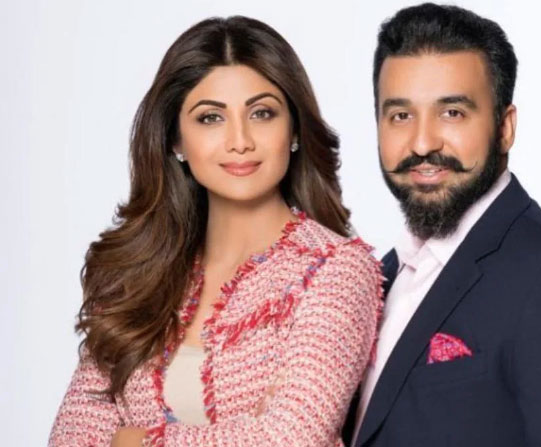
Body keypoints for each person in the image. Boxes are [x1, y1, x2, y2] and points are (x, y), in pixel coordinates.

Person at [49, 16, 383, 447]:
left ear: (294, 130)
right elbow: (72, 436)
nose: (240, 140)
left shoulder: (335, 270)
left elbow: (291, 437)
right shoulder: (135, 275)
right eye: (210, 118)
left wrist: (133, 441)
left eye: (262, 113)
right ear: (176, 141)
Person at [345, 3, 541, 447]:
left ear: (505, 127)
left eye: (452, 113)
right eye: (401, 115)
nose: (422, 143)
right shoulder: (375, 280)